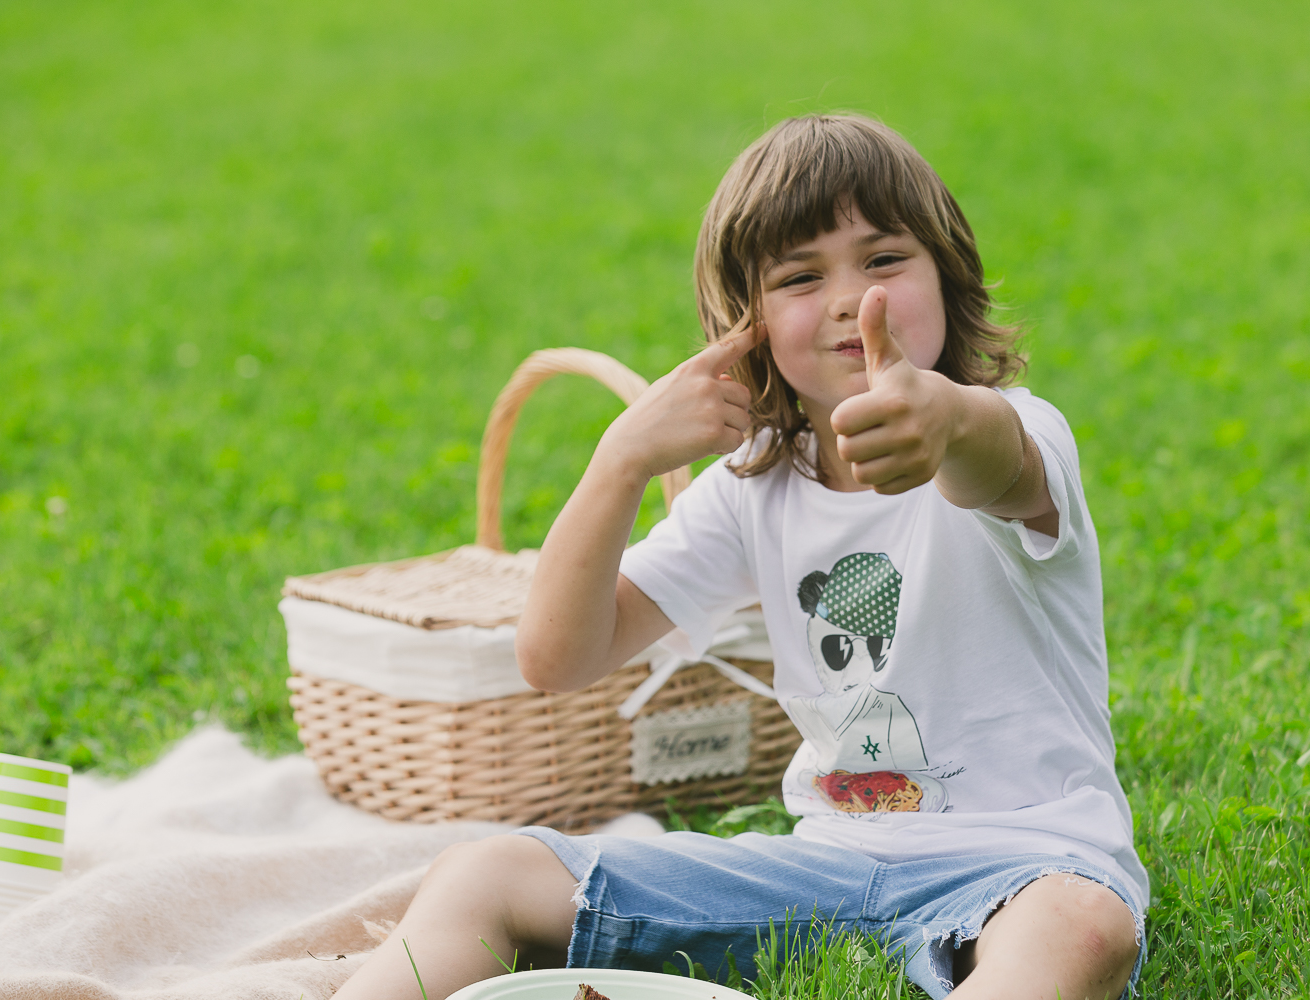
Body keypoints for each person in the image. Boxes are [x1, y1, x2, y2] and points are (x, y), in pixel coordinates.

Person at [333, 114, 1146, 1000]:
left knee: (1083, 927)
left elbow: (988, 456)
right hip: (823, 871)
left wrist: (943, 418)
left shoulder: (1016, 431)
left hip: (1023, 870)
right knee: (483, 873)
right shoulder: (754, 486)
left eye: (884, 261)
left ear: (948, 278)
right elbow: (557, 656)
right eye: (802, 276)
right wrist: (621, 461)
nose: (850, 300)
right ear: (747, 328)